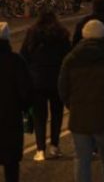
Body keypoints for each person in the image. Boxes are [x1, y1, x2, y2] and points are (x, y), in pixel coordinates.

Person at [58, 20, 104, 182]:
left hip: (79, 118)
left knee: (82, 160)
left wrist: (72, 104)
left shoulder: (72, 57)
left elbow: (62, 87)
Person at [19, 10, 71, 161]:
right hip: (56, 80)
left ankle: (40, 149)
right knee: (57, 114)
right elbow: (68, 56)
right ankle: (54, 146)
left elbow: (23, 56)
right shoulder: (61, 34)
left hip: (37, 82)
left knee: (39, 117)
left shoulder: (32, 34)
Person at [0, 22, 33, 182]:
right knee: (11, 164)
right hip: (11, 119)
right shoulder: (16, 61)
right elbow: (26, 92)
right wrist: (23, 108)